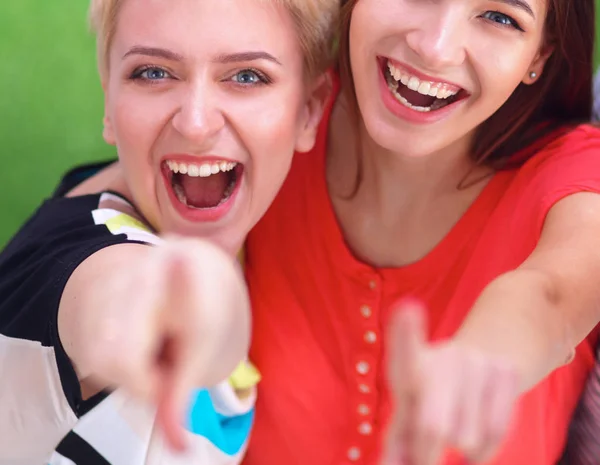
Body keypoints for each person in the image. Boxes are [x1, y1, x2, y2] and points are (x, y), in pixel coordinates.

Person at [242, 0, 600, 464]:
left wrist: (483, 359)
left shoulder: (575, 172)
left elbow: (553, 294)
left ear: (538, 58)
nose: (435, 48)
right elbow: (128, 191)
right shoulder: (272, 120)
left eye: (500, 17)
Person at [0, 0, 335, 463]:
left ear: (310, 112)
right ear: (108, 99)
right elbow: (111, 295)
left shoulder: (113, 190)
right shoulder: (90, 263)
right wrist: (171, 303)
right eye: (153, 73)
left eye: (246, 76)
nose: (195, 124)